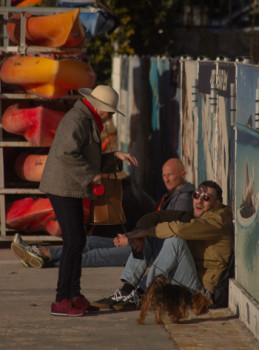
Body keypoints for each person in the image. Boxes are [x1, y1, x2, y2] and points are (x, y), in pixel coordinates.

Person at [38, 85, 138, 317]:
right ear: (100, 107)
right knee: (73, 242)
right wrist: (89, 175)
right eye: (110, 111)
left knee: (78, 240)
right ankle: (61, 299)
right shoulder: (78, 119)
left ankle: (74, 295)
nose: (111, 115)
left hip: (70, 187)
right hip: (63, 187)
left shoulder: (86, 118)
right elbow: (66, 154)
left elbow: (85, 156)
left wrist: (114, 157)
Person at [11, 158, 194, 269]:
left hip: (153, 252)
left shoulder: (184, 199)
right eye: (164, 175)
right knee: (92, 241)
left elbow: (170, 232)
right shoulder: (173, 195)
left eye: (170, 175)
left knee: (96, 255)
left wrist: (132, 239)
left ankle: (45, 257)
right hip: (145, 242)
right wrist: (131, 236)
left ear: (183, 174)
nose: (166, 179)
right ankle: (43, 255)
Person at [92, 180, 233, 312]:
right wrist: (140, 233)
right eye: (196, 195)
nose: (199, 200)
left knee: (175, 242)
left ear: (217, 204)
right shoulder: (194, 216)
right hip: (186, 281)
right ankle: (127, 290)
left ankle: (144, 293)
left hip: (201, 293)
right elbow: (156, 217)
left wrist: (146, 231)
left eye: (206, 198)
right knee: (150, 238)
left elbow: (179, 230)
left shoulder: (218, 221)